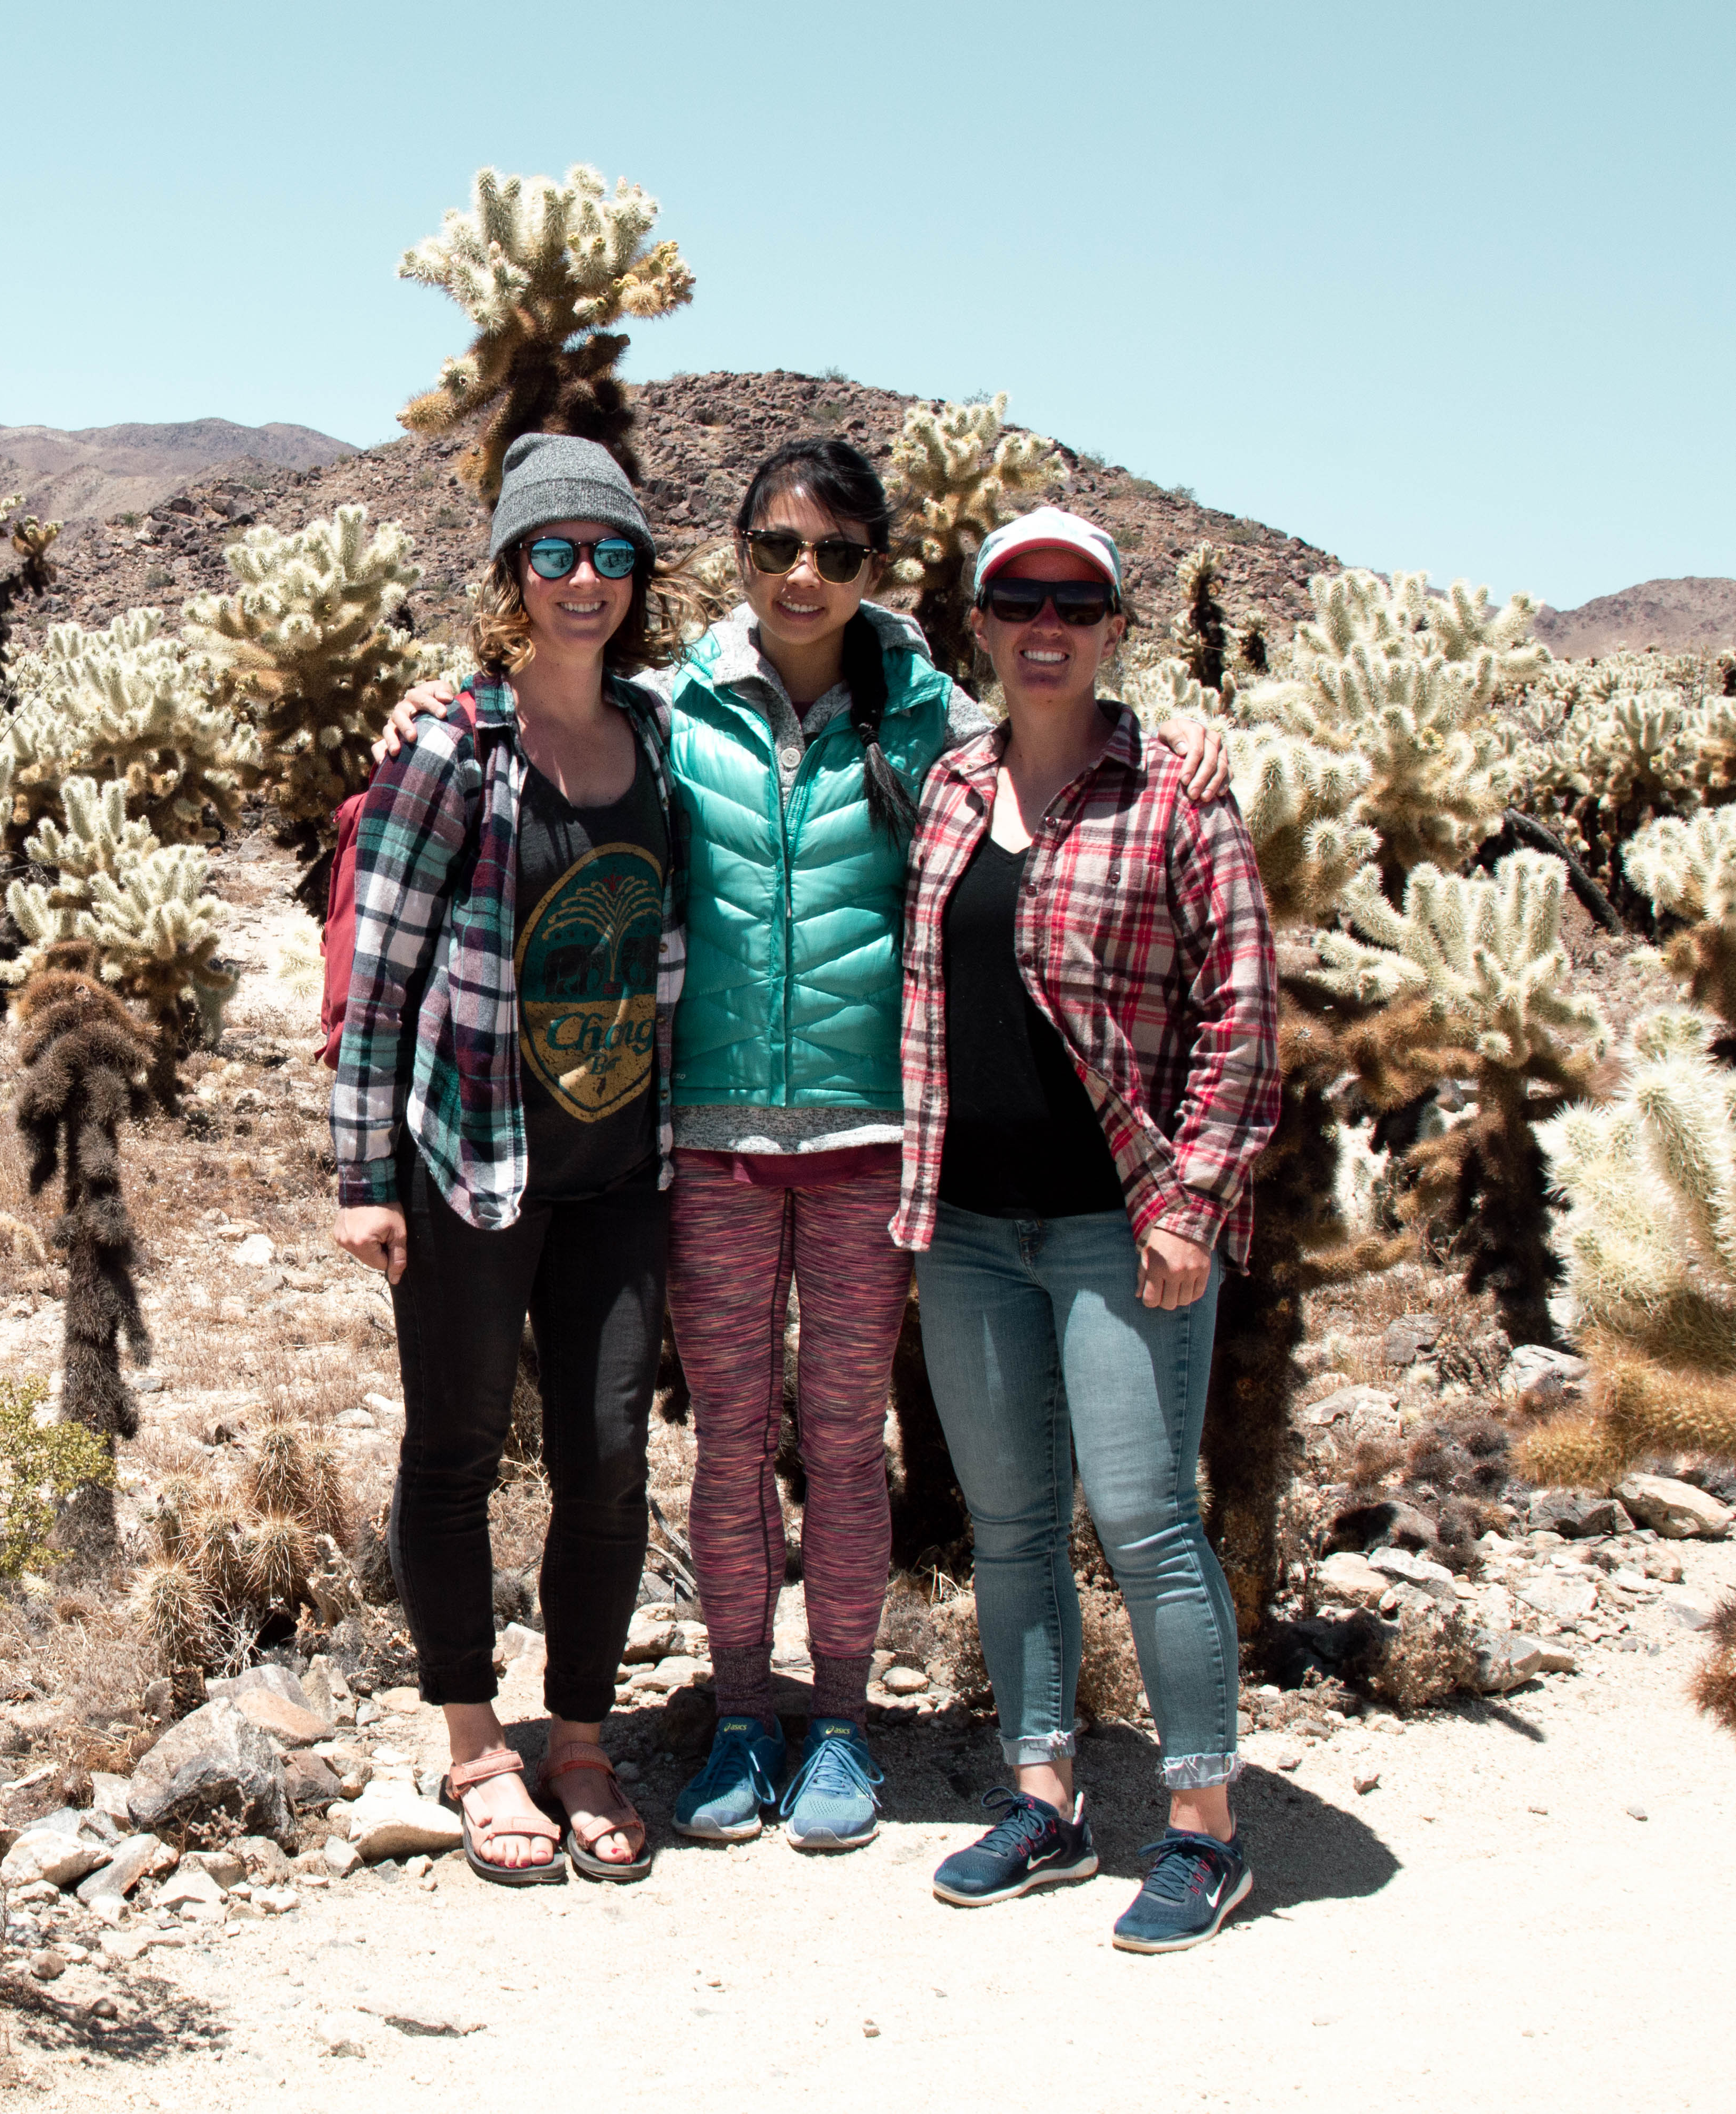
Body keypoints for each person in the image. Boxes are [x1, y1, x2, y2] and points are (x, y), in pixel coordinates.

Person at [378, 440, 1229, 1854]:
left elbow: (1054, 724)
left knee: (840, 1441)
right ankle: (738, 1712)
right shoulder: (665, 710)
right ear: (732, 552)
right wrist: (425, 702)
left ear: (875, 571)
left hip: (866, 1144)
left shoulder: (927, 720)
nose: (800, 577)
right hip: (701, 1142)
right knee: (723, 1445)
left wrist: (1172, 730)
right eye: (774, 546)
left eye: (835, 555)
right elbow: (534, 711)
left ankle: (835, 1715)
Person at [899, 505, 1281, 1951]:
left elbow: (1242, 1009)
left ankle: (1201, 1830)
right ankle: (1044, 1798)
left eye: (1074, 604)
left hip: (1120, 1226)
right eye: (1016, 602)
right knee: (1007, 1528)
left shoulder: (1176, 794)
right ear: (982, 628)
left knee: (1141, 1521)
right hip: (966, 1227)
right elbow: (802, 649)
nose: (1043, 627)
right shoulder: (941, 785)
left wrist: (1188, 1200)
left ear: (1115, 629)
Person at [332, 432, 684, 1886]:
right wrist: (361, 1175)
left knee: (606, 1459)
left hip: (621, 1168)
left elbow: (870, 650)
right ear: (508, 576)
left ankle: (583, 1735)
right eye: (552, 553)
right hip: (468, 1161)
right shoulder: (451, 745)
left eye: (609, 552)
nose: (582, 580)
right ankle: (477, 1744)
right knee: (458, 1448)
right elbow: (383, 970)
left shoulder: (662, 737)